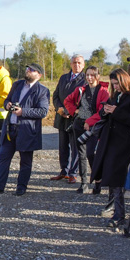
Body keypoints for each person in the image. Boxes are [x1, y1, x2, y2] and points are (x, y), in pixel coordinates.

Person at [0, 63, 50, 196]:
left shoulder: (42, 91)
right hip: (10, 129)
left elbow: (43, 112)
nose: (28, 71)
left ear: (39, 75)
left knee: (25, 161)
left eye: (31, 70)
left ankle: (21, 187)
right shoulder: (17, 85)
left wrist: (23, 111)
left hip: (26, 131)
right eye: (27, 69)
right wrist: (7, 104)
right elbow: (6, 99)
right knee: (3, 158)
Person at [90, 69, 130, 228]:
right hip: (111, 140)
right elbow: (103, 113)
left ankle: (119, 214)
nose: (116, 87)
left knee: (117, 176)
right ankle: (115, 210)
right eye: (113, 85)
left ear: (124, 81)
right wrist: (106, 110)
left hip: (125, 142)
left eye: (117, 84)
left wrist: (116, 111)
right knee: (111, 175)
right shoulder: (115, 96)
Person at [63, 65, 109, 193]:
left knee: (91, 154)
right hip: (78, 124)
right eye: (87, 75)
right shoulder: (81, 89)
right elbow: (67, 101)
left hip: (94, 127)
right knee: (80, 155)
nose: (89, 77)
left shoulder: (103, 91)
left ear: (98, 76)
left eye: (92, 75)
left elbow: (102, 111)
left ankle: (98, 181)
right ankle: (83, 183)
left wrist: (90, 121)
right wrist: (75, 111)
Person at [50, 54, 86, 184]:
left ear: (83, 65)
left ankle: (73, 172)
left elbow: (85, 100)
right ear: (71, 64)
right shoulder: (64, 78)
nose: (77, 65)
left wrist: (71, 111)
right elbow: (55, 95)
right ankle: (63, 171)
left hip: (75, 118)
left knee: (75, 146)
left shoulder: (85, 80)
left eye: (79, 63)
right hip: (62, 117)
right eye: (74, 62)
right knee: (62, 146)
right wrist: (59, 108)